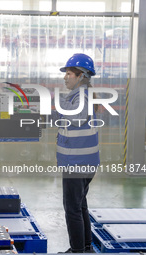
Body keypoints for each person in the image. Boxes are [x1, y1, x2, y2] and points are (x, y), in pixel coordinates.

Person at [54, 53, 100, 253]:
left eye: (69, 73)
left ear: (81, 76)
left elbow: (77, 117)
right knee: (80, 205)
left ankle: (77, 250)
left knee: (72, 209)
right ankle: (86, 247)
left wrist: (57, 102)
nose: (65, 77)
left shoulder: (82, 95)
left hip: (77, 162)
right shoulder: (78, 95)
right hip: (82, 161)